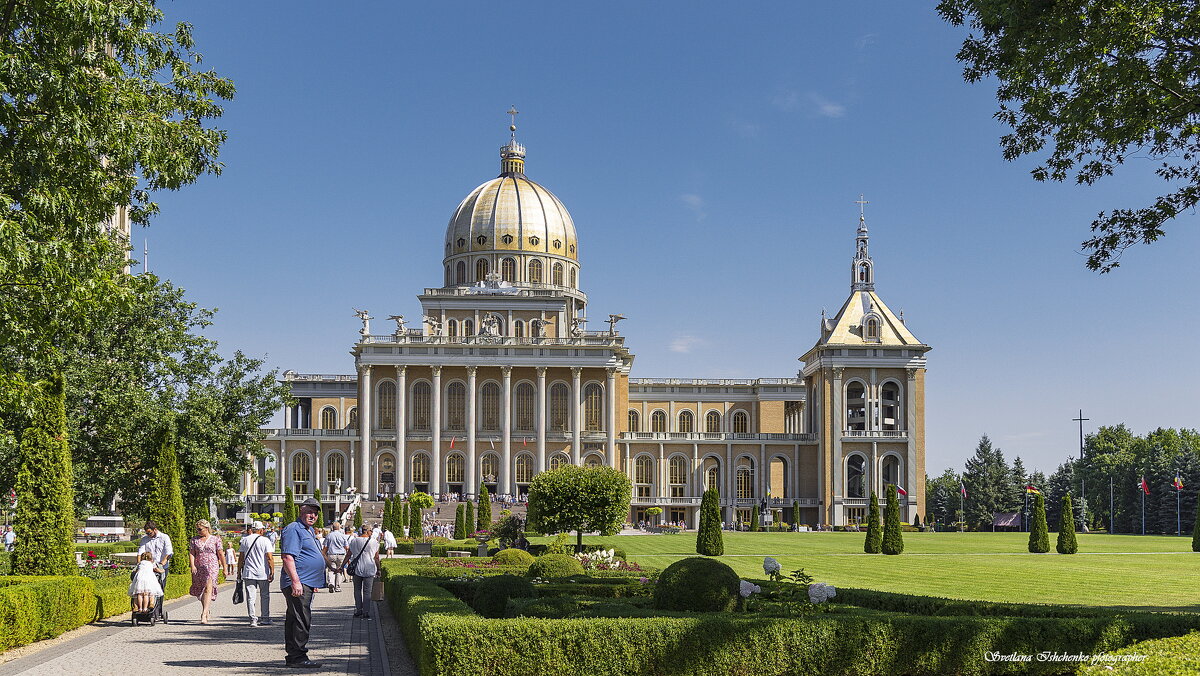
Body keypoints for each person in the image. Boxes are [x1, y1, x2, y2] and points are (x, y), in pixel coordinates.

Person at [281, 498, 328, 669]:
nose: (312, 515)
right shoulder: (294, 529)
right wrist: (296, 581)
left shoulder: (307, 530)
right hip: (299, 581)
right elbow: (287, 557)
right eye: (309, 511)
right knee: (301, 619)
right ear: (301, 510)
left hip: (306, 581)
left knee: (296, 618)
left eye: (315, 513)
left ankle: (294, 656)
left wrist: (314, 579)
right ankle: (298, 656)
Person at [239, 521, 274, 627]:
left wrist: (238, 572)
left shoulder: (245, 540)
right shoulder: (265, 540)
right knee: (265, 595)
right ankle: (265, 618)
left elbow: (241, 558)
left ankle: (252, 619)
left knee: (251, 597)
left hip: (249, 572)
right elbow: (269, 557)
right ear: (261, 530)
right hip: (262, 572)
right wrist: (272, 571)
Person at [188, 519, 222, 624]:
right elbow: (192, 553)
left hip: (212, 566)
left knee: (208, 587)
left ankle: (203, 614)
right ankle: (206, 610)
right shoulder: (194, 540)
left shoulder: (215, 539)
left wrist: (225, 567)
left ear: (206, 528)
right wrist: (192, 565)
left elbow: (220, 553)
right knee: (202, 589)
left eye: (200, 529)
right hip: (199, 566)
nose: (198, 531)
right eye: (197, 529)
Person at [343, 524, 380, 620]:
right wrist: (379, 569)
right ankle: (366, 612)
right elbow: (376, 557)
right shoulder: (374, 542)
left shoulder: (354, 541)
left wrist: (342, 567)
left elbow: (348, 555)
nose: (372, 532)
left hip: (357, 569)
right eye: (371, 531)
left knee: (357, 590)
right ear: (368, 531)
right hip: (369, 568)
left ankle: (358, 610)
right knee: (367, 592)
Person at [136, 521, 173, 612]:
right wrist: (139, 565)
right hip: (148, 568)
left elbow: (169, 553)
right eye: (147, 533)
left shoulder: (164, 537)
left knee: (159, 589)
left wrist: (162, 564)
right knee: (144, 588)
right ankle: (141, 608)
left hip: (161, 566)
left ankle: (157, 610)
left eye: (150, 533)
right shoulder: (145, 539)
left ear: (155, 530)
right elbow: (140, 553)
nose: (148, 535)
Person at [323, 522, 349, 592]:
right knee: (339, 570)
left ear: (332, 527)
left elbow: (325, 547)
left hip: (331, 554)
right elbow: (346, 547)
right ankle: (337, 587)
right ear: (339, 527)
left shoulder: (329, 535)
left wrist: (323, 555)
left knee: (331, 570)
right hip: (341, 554)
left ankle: (331, 583)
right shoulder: (343, 536)